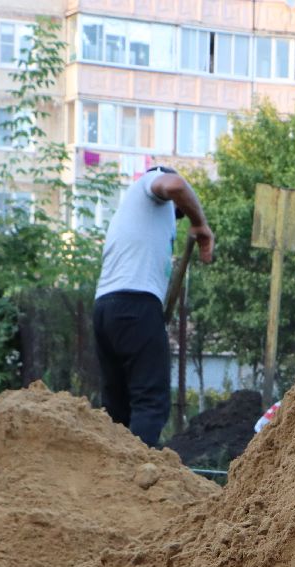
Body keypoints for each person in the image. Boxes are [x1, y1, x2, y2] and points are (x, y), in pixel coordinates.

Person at [94, 166, 214, 447]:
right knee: (150, 401)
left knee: (117, 409)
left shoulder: (129, 216)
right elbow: (175, 186)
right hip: (135, 304)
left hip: (105, 309)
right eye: (177, 212)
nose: (175, 216)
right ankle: (137, 479)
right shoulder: (150, 183)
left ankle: (110, 477)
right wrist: (200, 224)